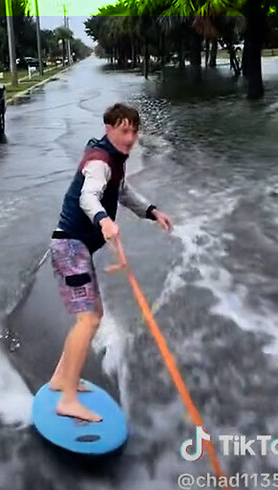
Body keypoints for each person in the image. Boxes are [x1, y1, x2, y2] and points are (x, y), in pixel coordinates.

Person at [47, 103, 173, 422]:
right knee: (87, 320)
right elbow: (88, 197)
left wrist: (151, 211)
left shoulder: (114, 159)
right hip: (69, 247)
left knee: (94, 315)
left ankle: (62, 379)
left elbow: (122, 191)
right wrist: (103, 220)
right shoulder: (100, 161)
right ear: (109, 129)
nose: (130, 137)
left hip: (78, 249)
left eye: (134, 130)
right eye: (123, 130)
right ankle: (68, 400)